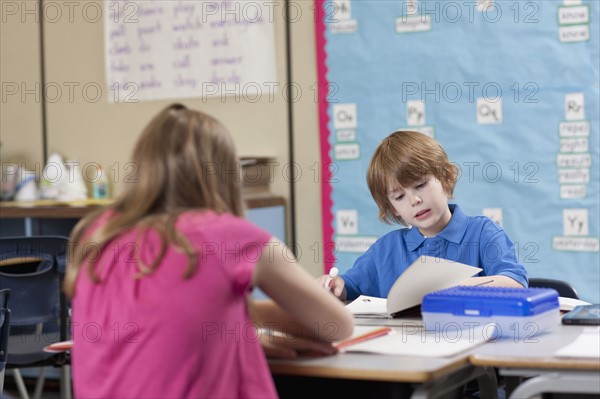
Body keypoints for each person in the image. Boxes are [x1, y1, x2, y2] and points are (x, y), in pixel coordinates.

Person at [64, 103, 353, 398]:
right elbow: (338, 325)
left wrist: (238, 330)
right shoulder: (232, 237)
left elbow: (155, 328)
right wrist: (251, 317)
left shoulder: (98, 234)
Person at [320, 130, 528, 301]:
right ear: (393, 208)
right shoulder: (386, 250)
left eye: (420, 185)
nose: (414, 201)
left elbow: (515, 284)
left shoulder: (482, 233)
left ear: (445, 177)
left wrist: (453, 286)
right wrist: (335, 286)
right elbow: (350, 286)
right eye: (399, 196)